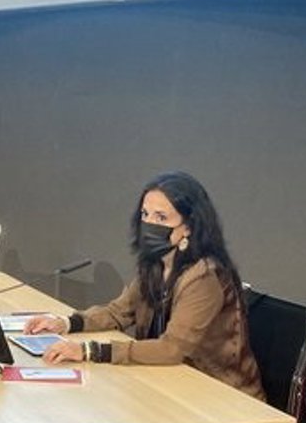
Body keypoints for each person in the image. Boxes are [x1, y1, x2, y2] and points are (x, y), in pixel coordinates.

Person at [23, 171, 264, 400]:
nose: (149, 224)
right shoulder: (156, 263)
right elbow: (118, 312)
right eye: (145, 214)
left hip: (222, 396)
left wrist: (90, 351)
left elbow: (172, 349)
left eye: (161, 218)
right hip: (169, 382)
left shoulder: (204, 277)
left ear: (188, 226)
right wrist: (66, 323)